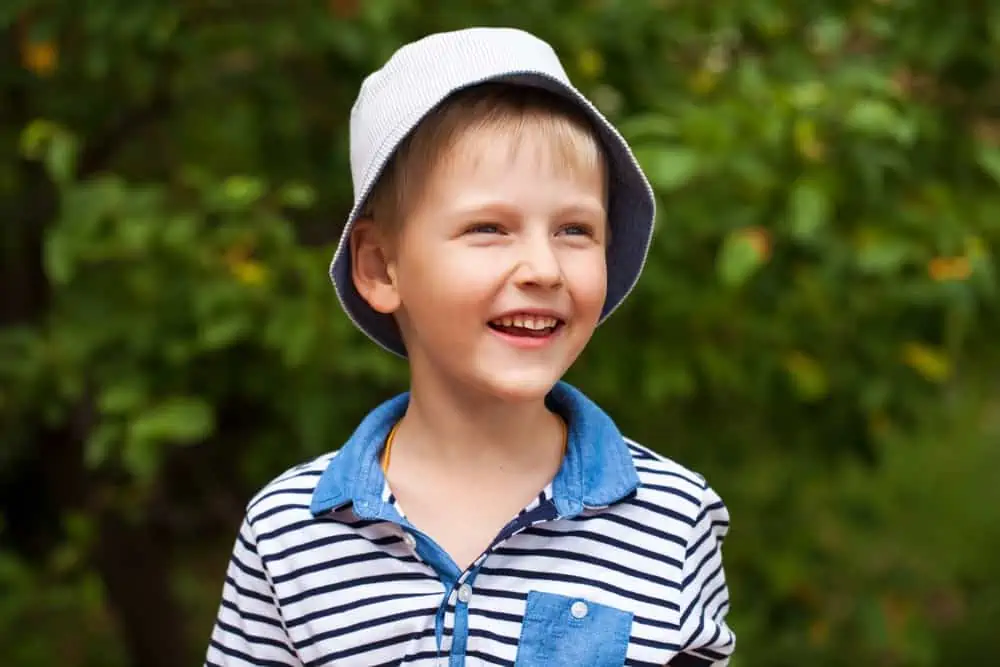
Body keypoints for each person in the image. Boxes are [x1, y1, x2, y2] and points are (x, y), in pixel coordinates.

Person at [205, 27, 735, 667]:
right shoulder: (289, 532)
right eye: (489, 228)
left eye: (575, 229)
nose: (543, 268)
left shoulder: (673, 519)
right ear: (380, 265)